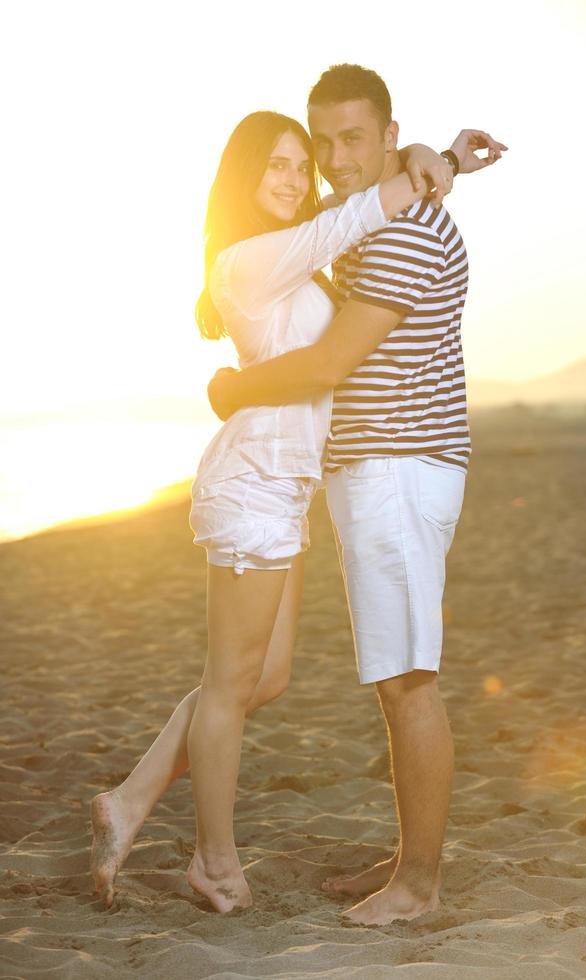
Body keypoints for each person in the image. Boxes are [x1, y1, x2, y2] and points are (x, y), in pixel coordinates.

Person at [89, 106, 462, 914]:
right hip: (254, 482)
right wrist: (421, 162)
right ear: (244, 180)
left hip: (288, 487)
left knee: (265, 676)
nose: (298, 178)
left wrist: (437, 157)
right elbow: (357, 214)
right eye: (280, 166)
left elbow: (358, 206)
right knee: (227, 685)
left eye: (304, 165)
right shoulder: (249, 259)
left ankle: (131, 796)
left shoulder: (291, 256)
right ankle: (213, 863)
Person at [208, 64, 508, 926]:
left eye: (353, 139)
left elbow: (333, 362)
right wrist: (438, 155)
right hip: (380, 469)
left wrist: (237, 391)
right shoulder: (383, 214)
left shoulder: (404, 231)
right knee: (393, 673)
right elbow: (379, 195)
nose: (336, 160)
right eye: (323, 141)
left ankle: (418, 885)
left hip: (398, 470)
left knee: (409, 677)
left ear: (384, 134)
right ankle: (411, 854)